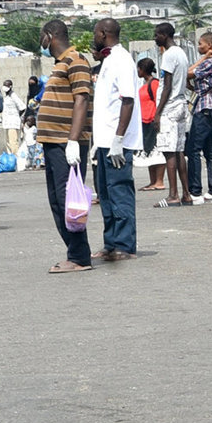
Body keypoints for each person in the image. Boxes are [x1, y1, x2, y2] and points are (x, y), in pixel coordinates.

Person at [34, 19, 96, 270]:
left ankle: (79, 257)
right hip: (53, 141)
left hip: (65, 142)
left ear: (50, 35)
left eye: (42, 37)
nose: (41, 43)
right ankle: (74, 252)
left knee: (69, 201)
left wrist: (73, 141)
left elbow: (81, 100)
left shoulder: (76, 61)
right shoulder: (61, 64)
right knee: (57, 200)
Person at [90, 18, 143, 260]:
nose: (94, 37)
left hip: (117, 141)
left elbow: (128, 100)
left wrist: (119, 139)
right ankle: (111, 242)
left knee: (119, 191)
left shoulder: (122, 60)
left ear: (103, 33)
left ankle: (125, 244)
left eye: (95, 33)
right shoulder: (108, 60)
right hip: (103, 141)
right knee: (106, 193)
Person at [151, 22, 193, 208]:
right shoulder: (181, 53)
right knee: (179, 151)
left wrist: (158, 113)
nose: (155, 38)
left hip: (170, 107)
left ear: (165, 35)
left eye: (157, 34)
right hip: (181, 105)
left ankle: (173, 195)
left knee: (169, 152)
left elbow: (167, 86)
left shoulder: (169, 55)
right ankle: (186, 194)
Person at [185, 31, 212, 205]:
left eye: (201, 44)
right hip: (210, 107)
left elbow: (187, 73)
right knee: (211, 150)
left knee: (193, 149)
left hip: (205, 108)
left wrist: (202, 59)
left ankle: (195, 190)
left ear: (209, 45)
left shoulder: (211, 62)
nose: (198, 46)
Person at [134, 57, 166, 192]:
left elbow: (158, 101)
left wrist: (157, 118)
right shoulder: (143, 85)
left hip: (153, 121)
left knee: (156, 151)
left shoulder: (154, 83)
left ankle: (159, 181)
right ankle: (152, 181)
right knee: (148, 151)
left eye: (138, 68)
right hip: (144, 121)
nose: (137, 71)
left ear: (142, 70)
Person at [0, 79, 27, 155]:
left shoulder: (13, 96)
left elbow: (22, 107)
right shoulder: (7, 96)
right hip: (7, 122)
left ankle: (15, 157)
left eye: (7, 85)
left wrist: (17, 116)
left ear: (10, 86)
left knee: (13, 142)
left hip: (13, 122)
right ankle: (10, 157)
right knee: (7, 142)